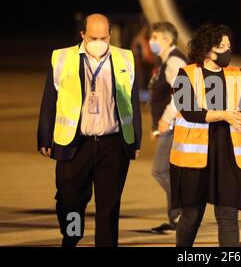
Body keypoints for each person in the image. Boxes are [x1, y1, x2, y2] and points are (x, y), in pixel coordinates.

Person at [37, 13, 142, 247]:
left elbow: (132, 102)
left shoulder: (124, 58)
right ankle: (72, 237)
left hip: (112, 143)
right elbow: (49, 100)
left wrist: (135, 140)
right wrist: (45, 135)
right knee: (70, 200)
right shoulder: (63, 57)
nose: (99, 42)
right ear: (83, 34)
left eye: (104, 37)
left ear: (110, 35)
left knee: (108, 207)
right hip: (75, 142)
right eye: (93, 37)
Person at [170, 24, 241, 247]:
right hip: (195, 158)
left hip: (228, 155)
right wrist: (224, 114)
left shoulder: (237, 74)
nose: (227, 50)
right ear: (206, 50)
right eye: (221, 46)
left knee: (228, 215)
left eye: (229, 45)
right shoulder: (185, 74)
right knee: (192, 215)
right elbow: (189, 111)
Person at [148, 22, 187, 233]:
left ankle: (182, 213)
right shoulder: (165, 61)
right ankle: (176, 219)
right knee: (167, 172)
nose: (151, 41)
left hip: (174, 126)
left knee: (160, 171)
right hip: (169, 126)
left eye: (156, 37)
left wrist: (165, 120)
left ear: (169, 39)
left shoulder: (174, 60)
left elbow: (181, 94)